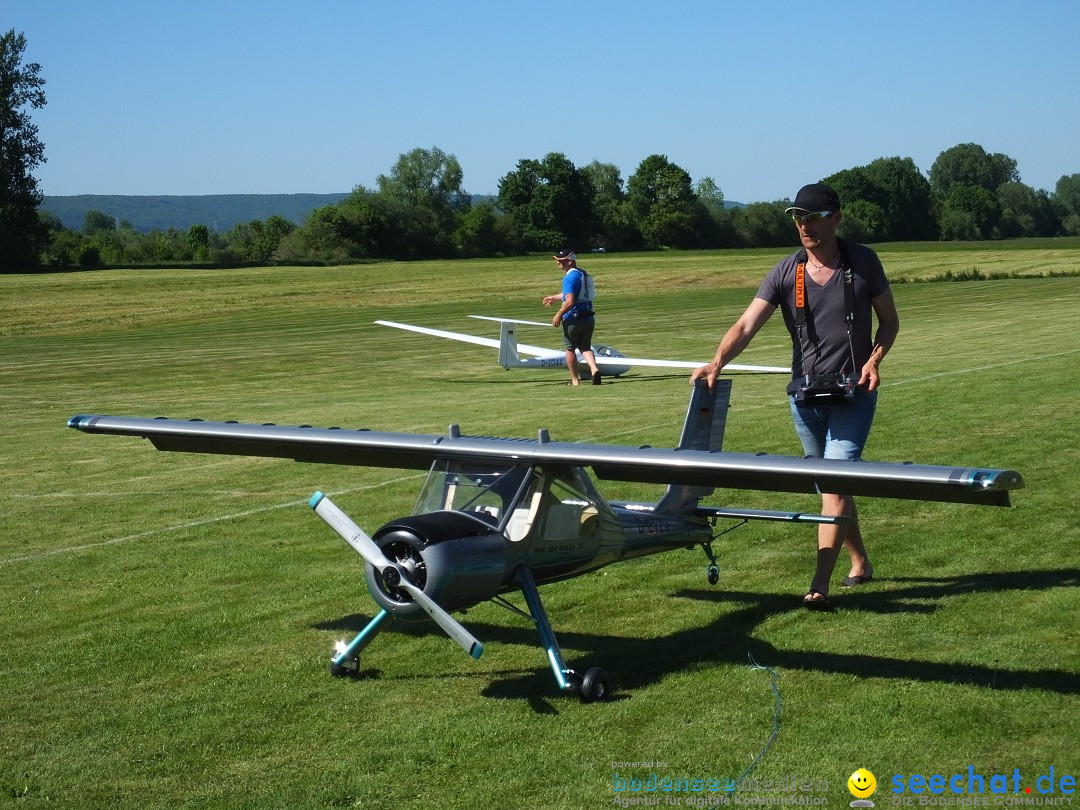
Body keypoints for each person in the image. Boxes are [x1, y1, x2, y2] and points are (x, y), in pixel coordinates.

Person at [690, 183, 900, 610]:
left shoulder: (863, 261)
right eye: (798, 218)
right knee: (832, 485)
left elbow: (890, 322)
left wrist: (874, 360)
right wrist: (716, 363)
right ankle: (860, 561)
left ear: (836, 218)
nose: (804, 226)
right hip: (804, 396)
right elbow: (747, 324)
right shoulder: (787, 271)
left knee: (836, 480)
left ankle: (819, 583)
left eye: (812, 217)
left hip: (854, 392)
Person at [542, 249, 602, 386]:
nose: (558, 263)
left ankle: (575, 379)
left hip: (574, 319)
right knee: (585, 347)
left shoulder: (569, 278)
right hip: (588, 317)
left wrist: (558, 315)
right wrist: (556, 297)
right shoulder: (582, 273)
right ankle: (594, 369)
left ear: (569, 261)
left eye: (560, 260)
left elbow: (570, 301)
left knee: (569, 349)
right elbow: (574, 293)